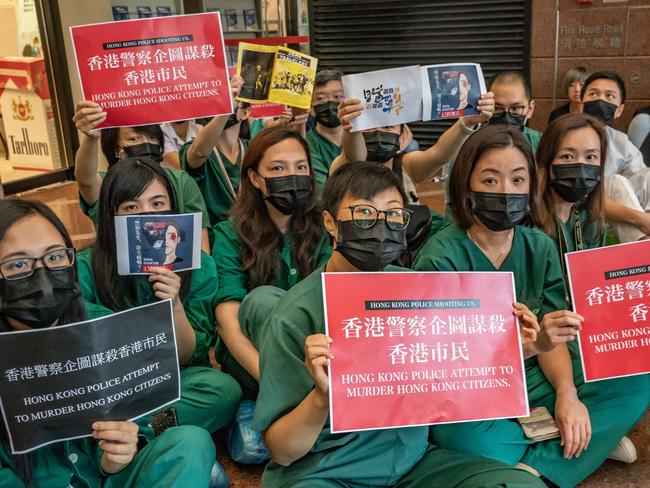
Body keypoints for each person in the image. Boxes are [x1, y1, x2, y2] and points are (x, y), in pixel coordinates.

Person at [248, 161, 547, 488]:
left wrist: (516, 349)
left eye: (393, 214)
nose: (380, 225)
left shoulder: (418, 292)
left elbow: (457, 387)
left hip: (411, 465)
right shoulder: (297, 314)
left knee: (520, 485)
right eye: (363, 214)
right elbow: (282, 451)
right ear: (331, 223)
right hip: (326, 473)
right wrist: (322, 396)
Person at [413, 124, 648, 487]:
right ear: (465, 187)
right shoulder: (441, 257)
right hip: (472, 390)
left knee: (635, 373)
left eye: (518, 180)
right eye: (490, 180)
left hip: (534, 379)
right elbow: (442, 365)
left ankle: (540, 459)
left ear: (531, 185)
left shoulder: (537, 245)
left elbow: (550, 335)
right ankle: (582, 442)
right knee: (462, 436)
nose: (506, 191)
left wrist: (568, 395)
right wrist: (527, 347)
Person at [0, 199, 216, 487]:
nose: (43, 275)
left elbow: (129, 411)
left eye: (54, 257)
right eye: (18, 264)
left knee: (190, 442)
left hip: (106, 476)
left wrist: (117, 455)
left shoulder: (101, 326)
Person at [75, 157, 242, 445]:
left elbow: (188, 357)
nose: (145, 215)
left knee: (222, 391)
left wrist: (174, 305)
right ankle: (164, 438)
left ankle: (139, 437)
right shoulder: (86, 267)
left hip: (175, 380)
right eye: (131, 207)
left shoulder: (199, 265)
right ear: (110, 214)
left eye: (157, 204)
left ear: (173, 207)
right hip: (114, 385)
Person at [213, 127, 331, 463]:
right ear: (254, 177)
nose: (291, 176)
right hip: (258, 373)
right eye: (277, 169)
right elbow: (228, 323)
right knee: (263, 299)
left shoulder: (324, 227)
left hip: (315, 365)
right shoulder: (229, 233)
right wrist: (279, 381)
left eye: (300, 167)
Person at [72, 102, 212, 252]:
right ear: (115, 148)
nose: (146, 144)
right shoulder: (108, 184)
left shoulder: (180, 181)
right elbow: (86, 179)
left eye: (152, 138)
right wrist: (91, 138)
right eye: (134, 139)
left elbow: (201, 247)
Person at [581, 71, 650, 242]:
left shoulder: (621, 142)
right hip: (585, 210)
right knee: (616, 182)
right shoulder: (567, 137)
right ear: (582, 102)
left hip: (621, 213)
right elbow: (581, 196)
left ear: (619, 110)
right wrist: (640, 219)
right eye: (593, 93)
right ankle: (643, 250)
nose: (600, 100)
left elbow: (641, 184)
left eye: (609, 96)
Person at [181, 76, 253, 237]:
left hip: (251, 239)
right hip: (213, 242)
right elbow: (199, 153)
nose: (224, 106)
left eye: (233, 102)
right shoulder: (194, 149)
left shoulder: (253, 150)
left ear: (246, 113)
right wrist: (225, 109)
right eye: (218, 101)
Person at [305, 69, 345, 187]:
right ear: (311, 107)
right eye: (320, 98)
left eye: (337, 96)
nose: (330, 102)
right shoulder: (307, 144)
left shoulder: (363, 137)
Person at [488, 71, 541, 152]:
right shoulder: (475, 143)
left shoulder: (541, 144)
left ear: (530, 109)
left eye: (515, 108)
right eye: (497, 108)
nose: (506, 118)